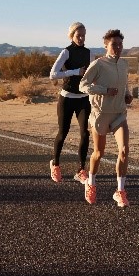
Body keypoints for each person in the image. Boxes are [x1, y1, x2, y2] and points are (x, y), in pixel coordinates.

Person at [79, 29, 134, 207]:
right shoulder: (98, 64)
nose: (118, 47)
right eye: (114, 44)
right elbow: (83, 86)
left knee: (124, 150)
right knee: (98, 153)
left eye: (120, 44)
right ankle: (91, 183)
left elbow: (124, 84)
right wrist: (105, 91)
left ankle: (120, 191)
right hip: (100, 115)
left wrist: (127, 95)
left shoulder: (124, 64)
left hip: (119, 114)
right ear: (106, 45)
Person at [49, 22, 92, 188]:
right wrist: (75, 72)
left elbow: (91, 74)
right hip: (66, 98)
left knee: (85, 133)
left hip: (83, 98)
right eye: (78, 35)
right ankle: (55, 164)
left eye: (83, 35)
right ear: (72, 36)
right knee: (63, 132)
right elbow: (53, 74)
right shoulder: (66, 52)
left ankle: (81, 170)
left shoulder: (89, 53)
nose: (81, 38)